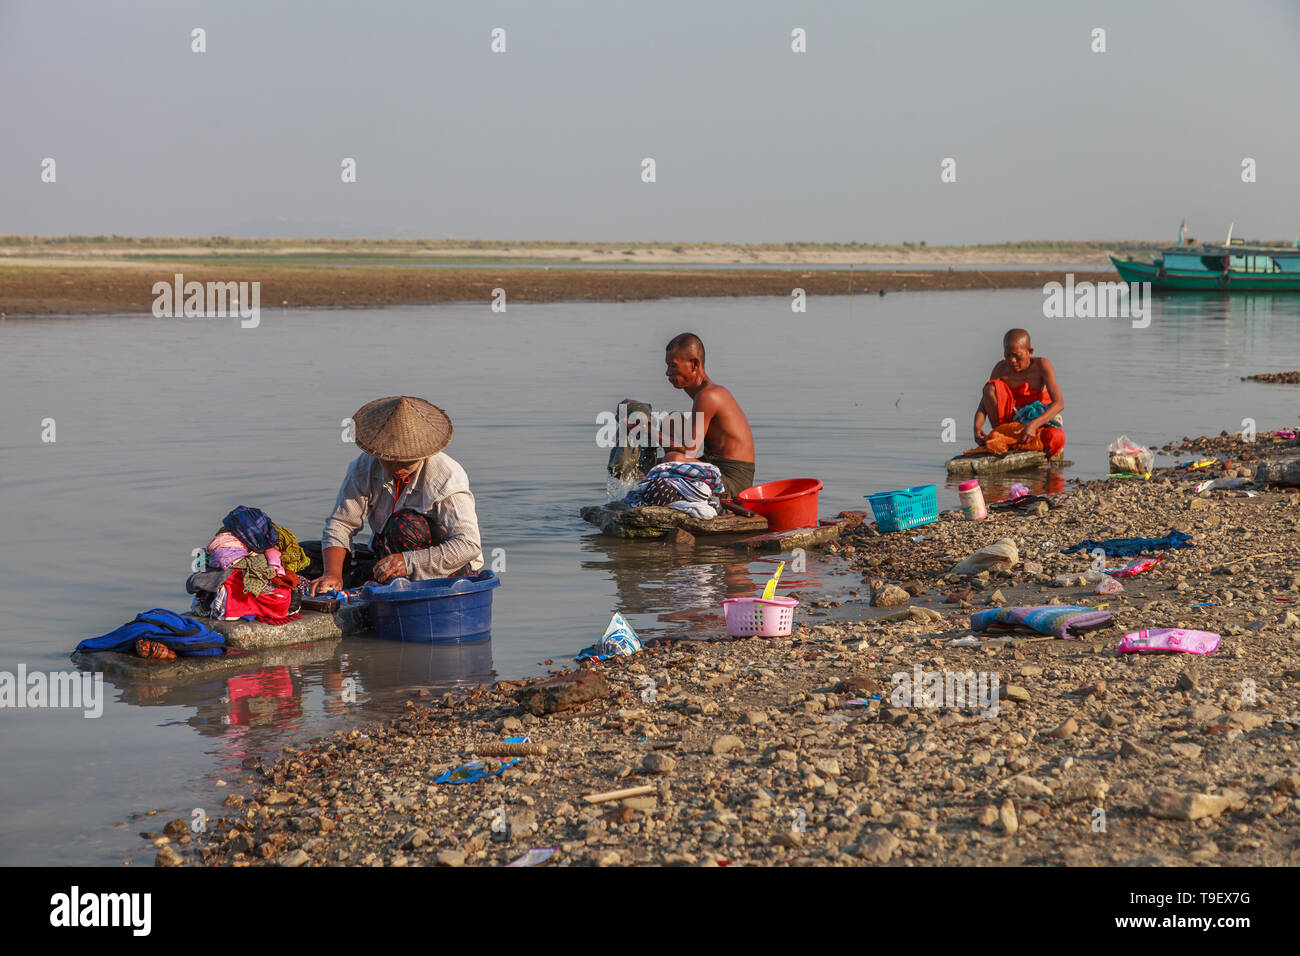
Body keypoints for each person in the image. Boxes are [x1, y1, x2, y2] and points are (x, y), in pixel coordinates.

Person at [310, 396, 483, 595]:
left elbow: (469, 545)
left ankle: (400, 588)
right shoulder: (364, 467)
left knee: (403, 525)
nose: (397, 468)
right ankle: (374, 583)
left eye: (406, 462)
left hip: (447, 570)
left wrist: (408, 562)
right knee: (307, 557)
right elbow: (341, 523)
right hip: (388, 557)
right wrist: (332, 574)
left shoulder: (446, 476)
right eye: (389, 461)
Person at [656, 332, 756, 498]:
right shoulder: (702, 395)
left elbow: (688, 452)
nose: (667, 373)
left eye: (672, 366)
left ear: (694, 364)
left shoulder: (708, 395)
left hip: (734, 483)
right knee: (672, 422)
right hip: (714, 466)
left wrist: (643, 429)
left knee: (671, 459)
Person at [973, 329, 1066, 458]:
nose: (1012, 360)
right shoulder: (1001, 369)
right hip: (1011, 428)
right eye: (1008, 355)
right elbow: (985, 401)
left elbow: (1059, 403)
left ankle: (1011, 443)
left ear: (1030, 352)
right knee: (990, 388)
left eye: (1017, 356)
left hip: (1037, 426)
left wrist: (1033, 425)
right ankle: (1002, 438)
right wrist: (977, 427)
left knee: (1057, 438)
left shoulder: (1042, 366)